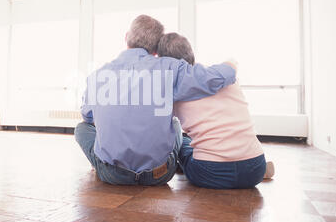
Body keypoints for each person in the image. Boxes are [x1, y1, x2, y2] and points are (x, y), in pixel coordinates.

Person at [74, 15, 237, 185]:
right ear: (156, 49)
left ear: (126, 37)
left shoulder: (96, 76)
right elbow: (215, 77)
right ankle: (180, 161)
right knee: (174, 124)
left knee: (82, 128)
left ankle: (104, 163)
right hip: (159, 175)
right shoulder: (170, 68)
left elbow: (88, 117)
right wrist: (231, 64)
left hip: (113, 175)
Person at [157, 32, 275, 189]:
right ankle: (258, 171)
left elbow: (162, 130)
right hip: (255, 167)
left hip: (210, 172)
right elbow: (231, 63)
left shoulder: (173, 93)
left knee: (183, 141)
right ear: (191, 53)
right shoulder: (225, 78)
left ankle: (184, 164)